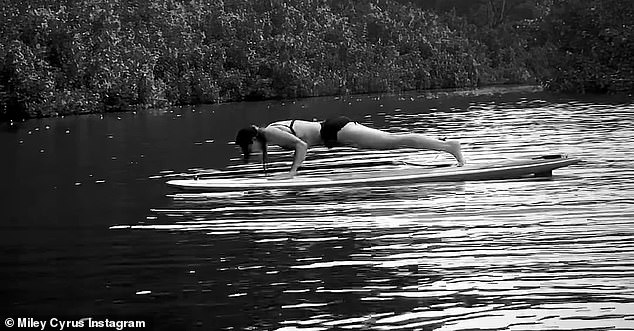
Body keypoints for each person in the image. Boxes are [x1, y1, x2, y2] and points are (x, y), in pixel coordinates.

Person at [235, 116, 465, 178]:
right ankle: (447, 146)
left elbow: (302, 145)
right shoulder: (269, 134)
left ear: (253, 140)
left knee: (394, 140)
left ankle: (449, 146)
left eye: (249, 149)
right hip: (337, 134)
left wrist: (292, 174)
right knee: (391, 143)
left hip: (337, 130)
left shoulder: (270, 132)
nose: (251, 153)